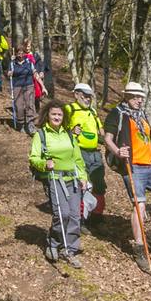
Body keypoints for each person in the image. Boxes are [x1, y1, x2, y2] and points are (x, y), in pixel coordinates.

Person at [104, 82, 151, 271]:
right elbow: (107, 138)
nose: (139, 99)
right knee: (139, 205)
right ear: (126, 96)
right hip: (132, 166)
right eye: (135, 96)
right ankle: (139, 246)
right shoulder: (117, 113)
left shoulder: (141, 114)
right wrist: (118, 151)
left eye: (141, 96)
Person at [29, 100, 88, 268]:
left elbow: (77, 158)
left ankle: (69, 249)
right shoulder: (40, 135)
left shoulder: (69, 135)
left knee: (76, 216)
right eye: (54, 114)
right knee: (62, 214)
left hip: (73, 180)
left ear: (64, 117)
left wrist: (83, 177)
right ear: (47, 115)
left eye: (59, 114)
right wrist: (44, 164)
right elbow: (34, 158)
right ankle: (53, 243)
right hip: (54, 179)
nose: (56, 117)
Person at [65, 83, 106, 218]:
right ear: (76, 95)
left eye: (90, 97)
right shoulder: (69, 109)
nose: (88, 99)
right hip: (78, 152)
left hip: (95, 153)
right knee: (83, 184)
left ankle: (97, 216)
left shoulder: (93, 112)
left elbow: (101, 131)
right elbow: (58, 132)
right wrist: (71, 132)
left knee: (99, 184)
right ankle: (81, 218)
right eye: (85, 96)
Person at [7, 45, 42, 133]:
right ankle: (21, 123)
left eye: (22, 53)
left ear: (24, 54)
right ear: (16, 54)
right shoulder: (12, 63)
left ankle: (30, 124)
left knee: (30, 104)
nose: (20, 55)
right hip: (17, 86)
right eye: (19, 53)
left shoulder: (29, 62)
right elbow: (8, 73)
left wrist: (42, 86)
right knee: (19, 106)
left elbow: (35, 73)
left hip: (29, 85)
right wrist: (10, 73)